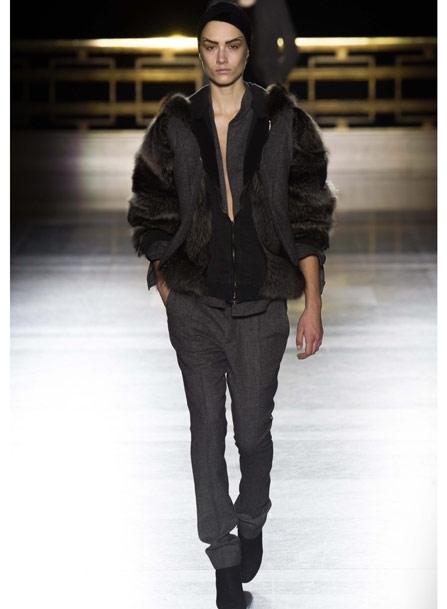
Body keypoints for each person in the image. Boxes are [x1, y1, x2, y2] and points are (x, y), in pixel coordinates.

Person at [127, 3, 336, 608]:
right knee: (206, 432)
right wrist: (167, 282)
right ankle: (223, 562)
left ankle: (251, 518)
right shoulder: (175, 124)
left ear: (248, 50)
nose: (221, 57)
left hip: (261, 309)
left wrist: (313, 302)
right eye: (211, 45)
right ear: (199, 49)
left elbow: (309, 216)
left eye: (233, 45)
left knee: (252, 433)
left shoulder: (283, 121)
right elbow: (149, 208)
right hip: (194, 306)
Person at [206, 0, 299, 88]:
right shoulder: (219, 4)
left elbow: (291, 47)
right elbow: (208, 48)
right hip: (227, 85)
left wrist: (277, 77)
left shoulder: (274, 3)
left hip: (265, 85)